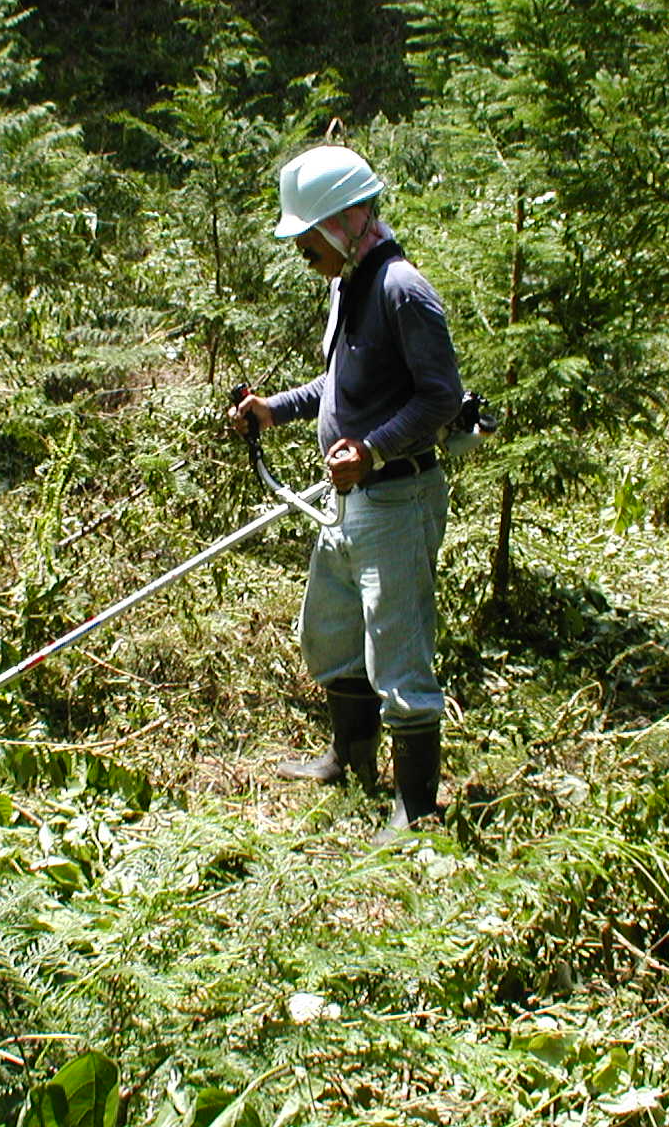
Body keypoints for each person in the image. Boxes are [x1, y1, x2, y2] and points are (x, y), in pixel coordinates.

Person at [230, 144, 463, 840]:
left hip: (396, 498)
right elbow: (340, 386)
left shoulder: (402, 289)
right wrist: (278, 407)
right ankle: (349, 757)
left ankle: (416, 806)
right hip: (350, 499)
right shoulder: (348, 284)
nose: (306, 254)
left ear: (347, 221)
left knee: (399, 653)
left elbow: (441, 398)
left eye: (309, 241)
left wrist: (372, 450)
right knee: (330, 631)